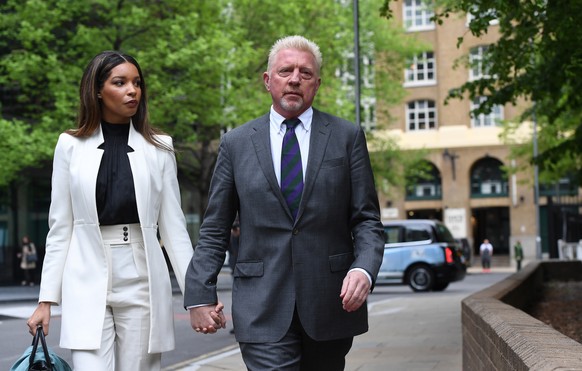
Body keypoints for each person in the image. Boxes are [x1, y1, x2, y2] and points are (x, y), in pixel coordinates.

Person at [184, 35, 384, 370]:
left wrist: (364, 268)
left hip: (330, 304)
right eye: (285, 71)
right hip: (261, 305)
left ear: (316, 84)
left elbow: (366, 219)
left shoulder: (346, 137)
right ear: (268, 80)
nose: (294, 79)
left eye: (305, 73)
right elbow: (215, 227)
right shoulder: (236, 144)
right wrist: (199, 293)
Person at [25, 51, 223, 371]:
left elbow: (174, 230)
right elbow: (60, 228)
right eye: (120, 83)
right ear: (98, 91)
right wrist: (45, 301)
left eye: (137, 83)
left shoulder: (160, 146)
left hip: (141, 273)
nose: (132, 90)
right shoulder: (69, 145)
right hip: (85, 271)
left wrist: (199, 295)